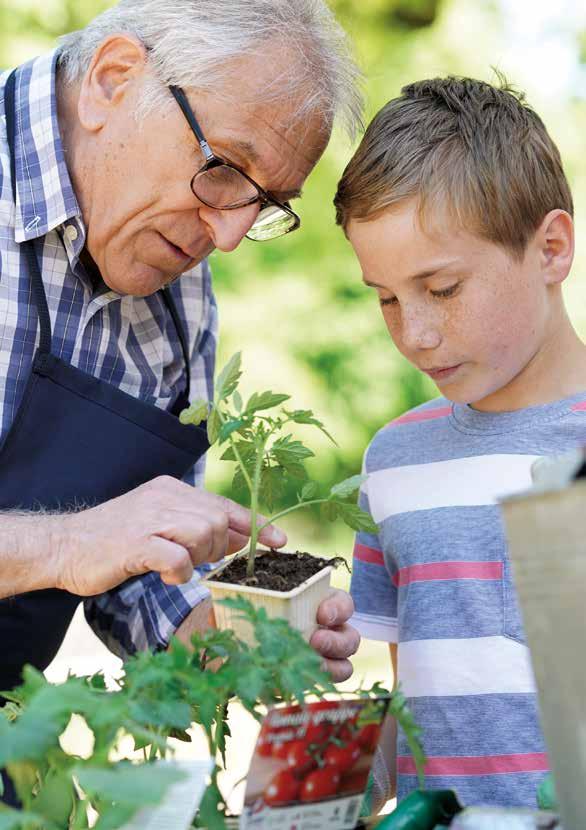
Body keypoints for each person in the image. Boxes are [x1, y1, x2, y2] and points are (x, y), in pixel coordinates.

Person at [0, 0, 364, 696]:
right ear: (113, 80)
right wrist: (70, 544)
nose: (227, 236)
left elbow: (141, 585)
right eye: (224, 166)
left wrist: (241, 643)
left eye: (266, 203)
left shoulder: (180, 302)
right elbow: (91, 547)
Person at [334, 76, 586, 808]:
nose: (414, 333)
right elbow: (414, 713)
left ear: (551, 249)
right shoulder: (394, 462)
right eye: (385, 296)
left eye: (441, 289)